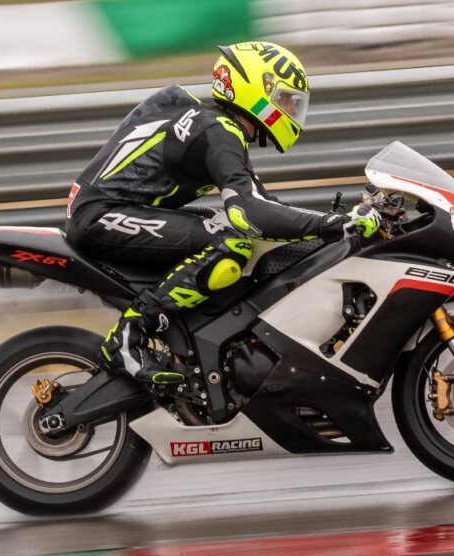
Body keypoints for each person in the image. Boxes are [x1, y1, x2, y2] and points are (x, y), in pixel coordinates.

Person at [64, 41, 381, 384]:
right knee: (233, 243)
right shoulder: (217, 129)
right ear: (258, 89)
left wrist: (333, 223)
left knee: (228, 228)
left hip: (115, 210)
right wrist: (331, 225)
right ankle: (128, 336)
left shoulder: (218, 128)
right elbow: (251, 214)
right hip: (100, 216)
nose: (291, 109)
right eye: (286, 99)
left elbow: (263, 205)